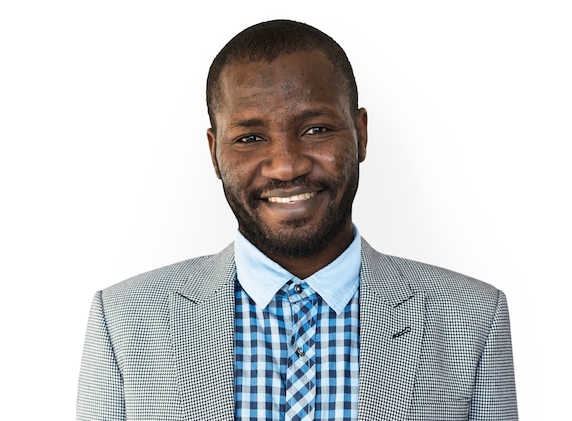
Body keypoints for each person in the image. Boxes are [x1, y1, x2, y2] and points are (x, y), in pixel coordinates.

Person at [77, 19, 518, 421]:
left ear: (360, 134)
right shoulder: (122, 322)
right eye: (250, 137)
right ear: (214, 153)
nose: (286, 166)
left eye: (316, 129)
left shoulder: (474, 318)